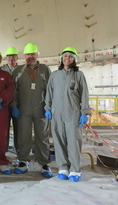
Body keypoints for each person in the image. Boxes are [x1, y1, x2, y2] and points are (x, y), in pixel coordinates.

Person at [45, 46, 91, 182]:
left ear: (74, 59)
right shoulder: (55, 75)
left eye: (70, 56)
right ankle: (63, 167)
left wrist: (85, 112)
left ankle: (75, 169)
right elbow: (49, 92)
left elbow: (84, 94)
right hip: (56, 113)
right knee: (58, 141)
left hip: (73, 113)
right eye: (65, 56)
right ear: (61, 59)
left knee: (73, 141)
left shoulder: (79, 75)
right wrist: (47, 108)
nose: (67, 58)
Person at [11, 42, 53, 178]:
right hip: (23, 110)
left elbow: (50, 91)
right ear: (24, 56)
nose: (30, 57)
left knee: (43, 137)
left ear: (37, 55)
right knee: (23, 136)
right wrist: (14, 105)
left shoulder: (45, 70)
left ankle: (45, 163)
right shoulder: (18, 71)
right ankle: (23, 161)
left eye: (33, 54)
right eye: (28, 54)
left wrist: (48, 107)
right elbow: (13, 91)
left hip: (41, 109)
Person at [1, 46, 19, 153]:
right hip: (4, 106)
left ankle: (20, 156)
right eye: (9, 56)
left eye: (13, 56)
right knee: (3, 131)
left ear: (17, 58)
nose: (11, 59)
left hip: (18, 105)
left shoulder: (22, 70)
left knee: (19, 131)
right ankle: (3, 154)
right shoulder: (1, 70)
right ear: (6, 58)